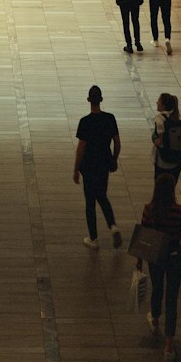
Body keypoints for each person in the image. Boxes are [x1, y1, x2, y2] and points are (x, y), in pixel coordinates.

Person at [136, 171, 181, 362]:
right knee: (172, 299)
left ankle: (155, 319)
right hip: (174, 255)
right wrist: (180, 244)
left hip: (156, 255)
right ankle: (168, 345)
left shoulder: (149, 209)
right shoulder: (179, 210)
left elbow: (144, 234)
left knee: (157, 287)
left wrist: (139, 260)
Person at [73, 84, 122, 250]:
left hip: (89, 166)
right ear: (101, 100)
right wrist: (114, 159)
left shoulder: (85, 122)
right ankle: (112, 225)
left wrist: (75, 169)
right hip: (104, 163)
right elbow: (117, 141)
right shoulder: (110, 118)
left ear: (88, 100)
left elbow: (81, 147)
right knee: (102, 195)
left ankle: (93, 238)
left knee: (90, 202)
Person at [152, 93, 181, 184]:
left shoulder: (159, 119)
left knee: (160, 188)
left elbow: (159, 139)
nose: (157, 103)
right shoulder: (178, 121)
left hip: (163, 161)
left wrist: (155, 139)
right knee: (171, 189)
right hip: (176, 162)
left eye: (158, 101)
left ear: (163, 106)